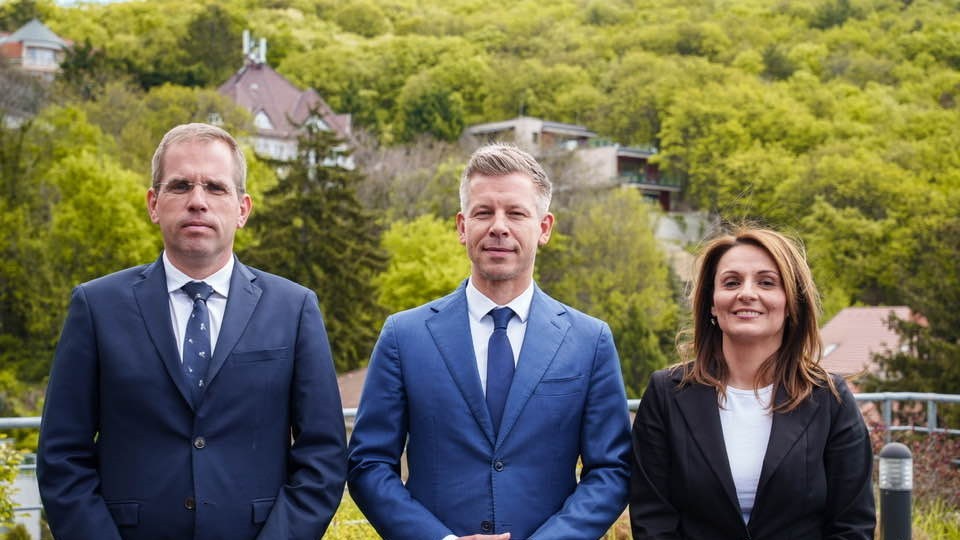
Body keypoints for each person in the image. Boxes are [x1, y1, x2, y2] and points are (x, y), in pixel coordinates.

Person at [37, 123, 347, 540]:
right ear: (154, 204)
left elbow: (323, 456)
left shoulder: (294, 309)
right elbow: (62, 457)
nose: (197, 201)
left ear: (242, 209)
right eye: (180, 186)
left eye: (215, 188)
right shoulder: (96, 307)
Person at [347, 143, 631, 540]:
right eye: (484, 212)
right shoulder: (403, 336)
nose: (499, 226)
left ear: (544, 228)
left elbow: (612, 470)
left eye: (516, 213)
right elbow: (369, 464)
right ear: (462, 226)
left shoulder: (590, 341)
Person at [629, 226, 875, 539]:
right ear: (712, 303)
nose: (746, 293)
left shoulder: (829, 399)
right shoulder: (667, 394)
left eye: (766, 282)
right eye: (731, 282)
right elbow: (652, 520)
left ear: (791, 302)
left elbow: (853, 525)